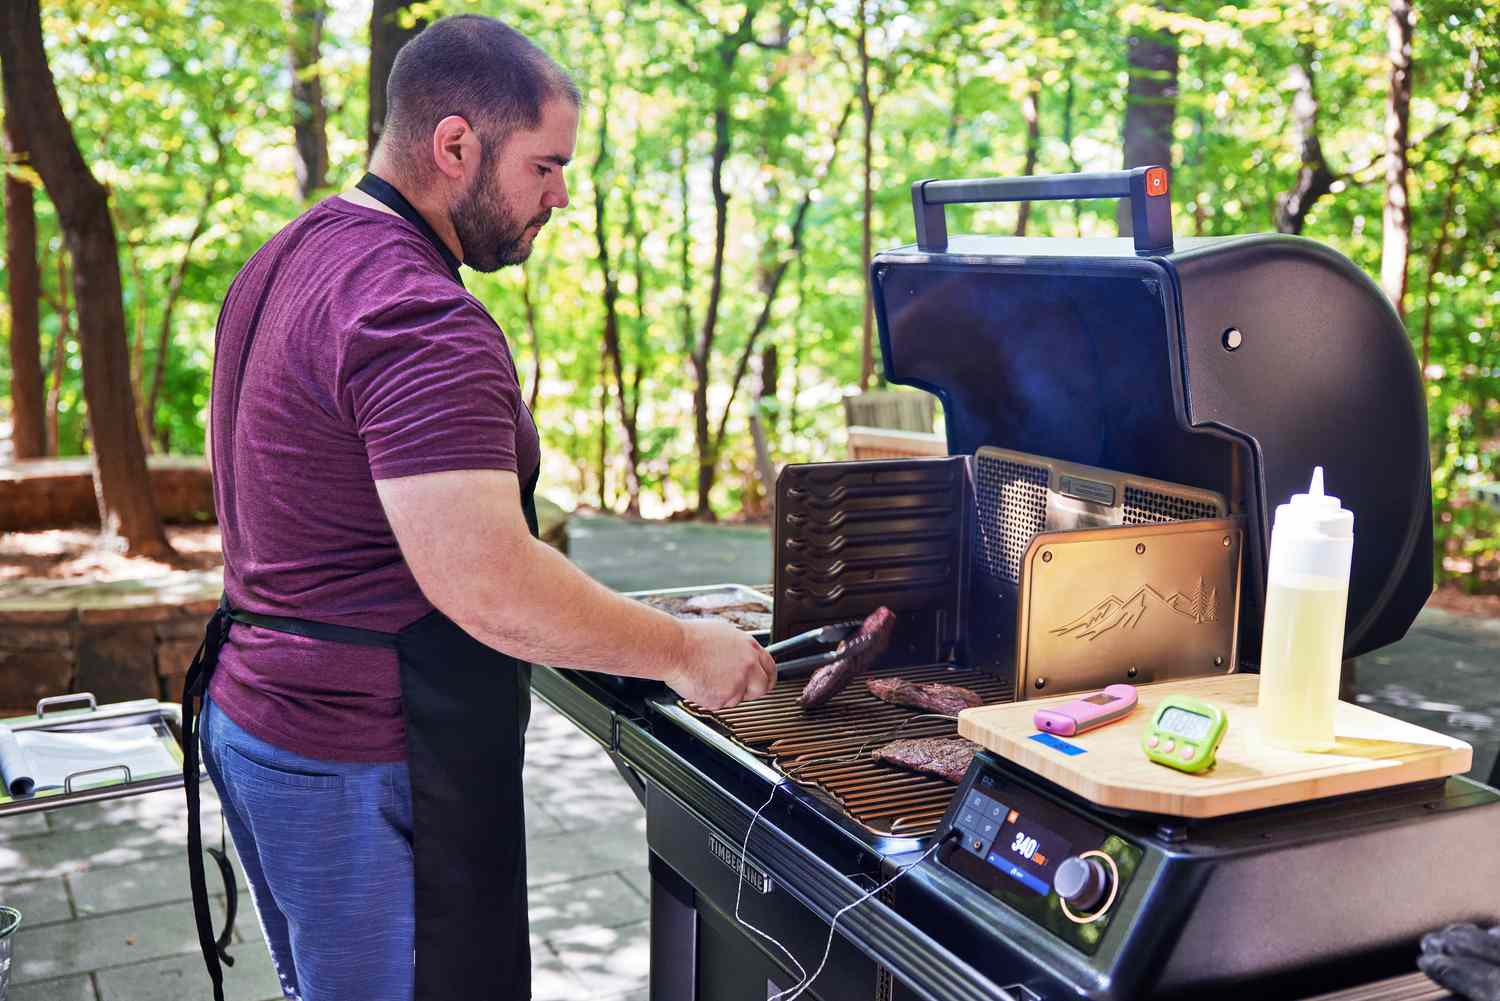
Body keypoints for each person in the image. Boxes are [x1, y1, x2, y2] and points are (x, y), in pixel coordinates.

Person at [180, 14, 776, 1001]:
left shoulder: (289, 257)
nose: (560, 194)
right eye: (544, 165)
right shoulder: (417, 311)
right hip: (362, 760)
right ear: (454, 145)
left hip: (259, 724)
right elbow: (488, 582)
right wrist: (681, 646)